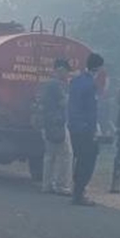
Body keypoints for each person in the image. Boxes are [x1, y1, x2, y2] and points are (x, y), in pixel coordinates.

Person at [68, 53, 104, 206]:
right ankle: (79, 192)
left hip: (74, 126)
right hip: (85, 128)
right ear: (98, 67)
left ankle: (77, 191)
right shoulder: (90, 85)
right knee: (88, 160)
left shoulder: (76, 81)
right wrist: (93, 129)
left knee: (78, 159)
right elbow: (91, 111)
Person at [40, 59, 73, 196]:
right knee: (66, 154)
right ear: (60, 70)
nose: (67, 75)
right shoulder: (56, 85)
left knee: (50, 155)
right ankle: (62, 185)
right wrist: (71, 95)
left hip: (47, 123)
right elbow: (63, 103)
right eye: (66, 72)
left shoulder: (47, 85)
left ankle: (47, 184)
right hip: (58, 123)